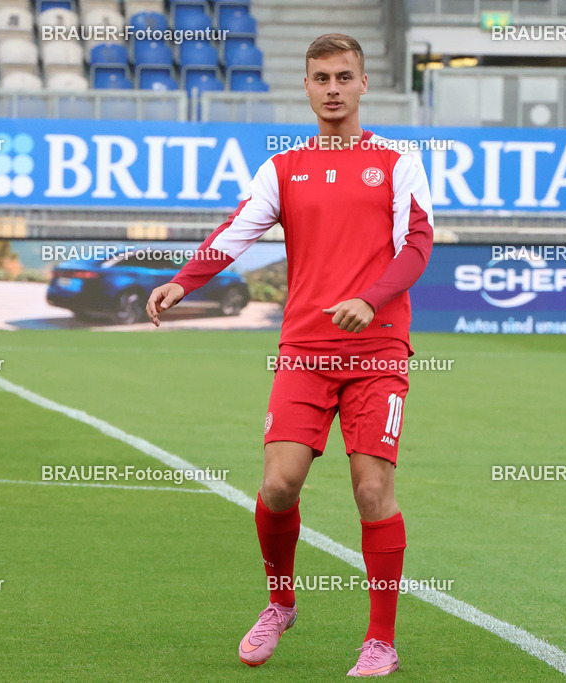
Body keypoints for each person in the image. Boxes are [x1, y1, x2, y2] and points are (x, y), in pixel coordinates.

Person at [146, 33, 434, 678]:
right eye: (320, 78)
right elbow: (236, 231)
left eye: (343, 76)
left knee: (371, 490)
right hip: (304, 348)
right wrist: (183, 279)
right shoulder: (283, 168)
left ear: (363, 85)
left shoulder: (397, 161)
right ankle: (281, 603)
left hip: (378, 349)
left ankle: (380, 639)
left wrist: (371, 298)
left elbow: (416, 245)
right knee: (278, 485)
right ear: (305, 88)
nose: (332, 88)